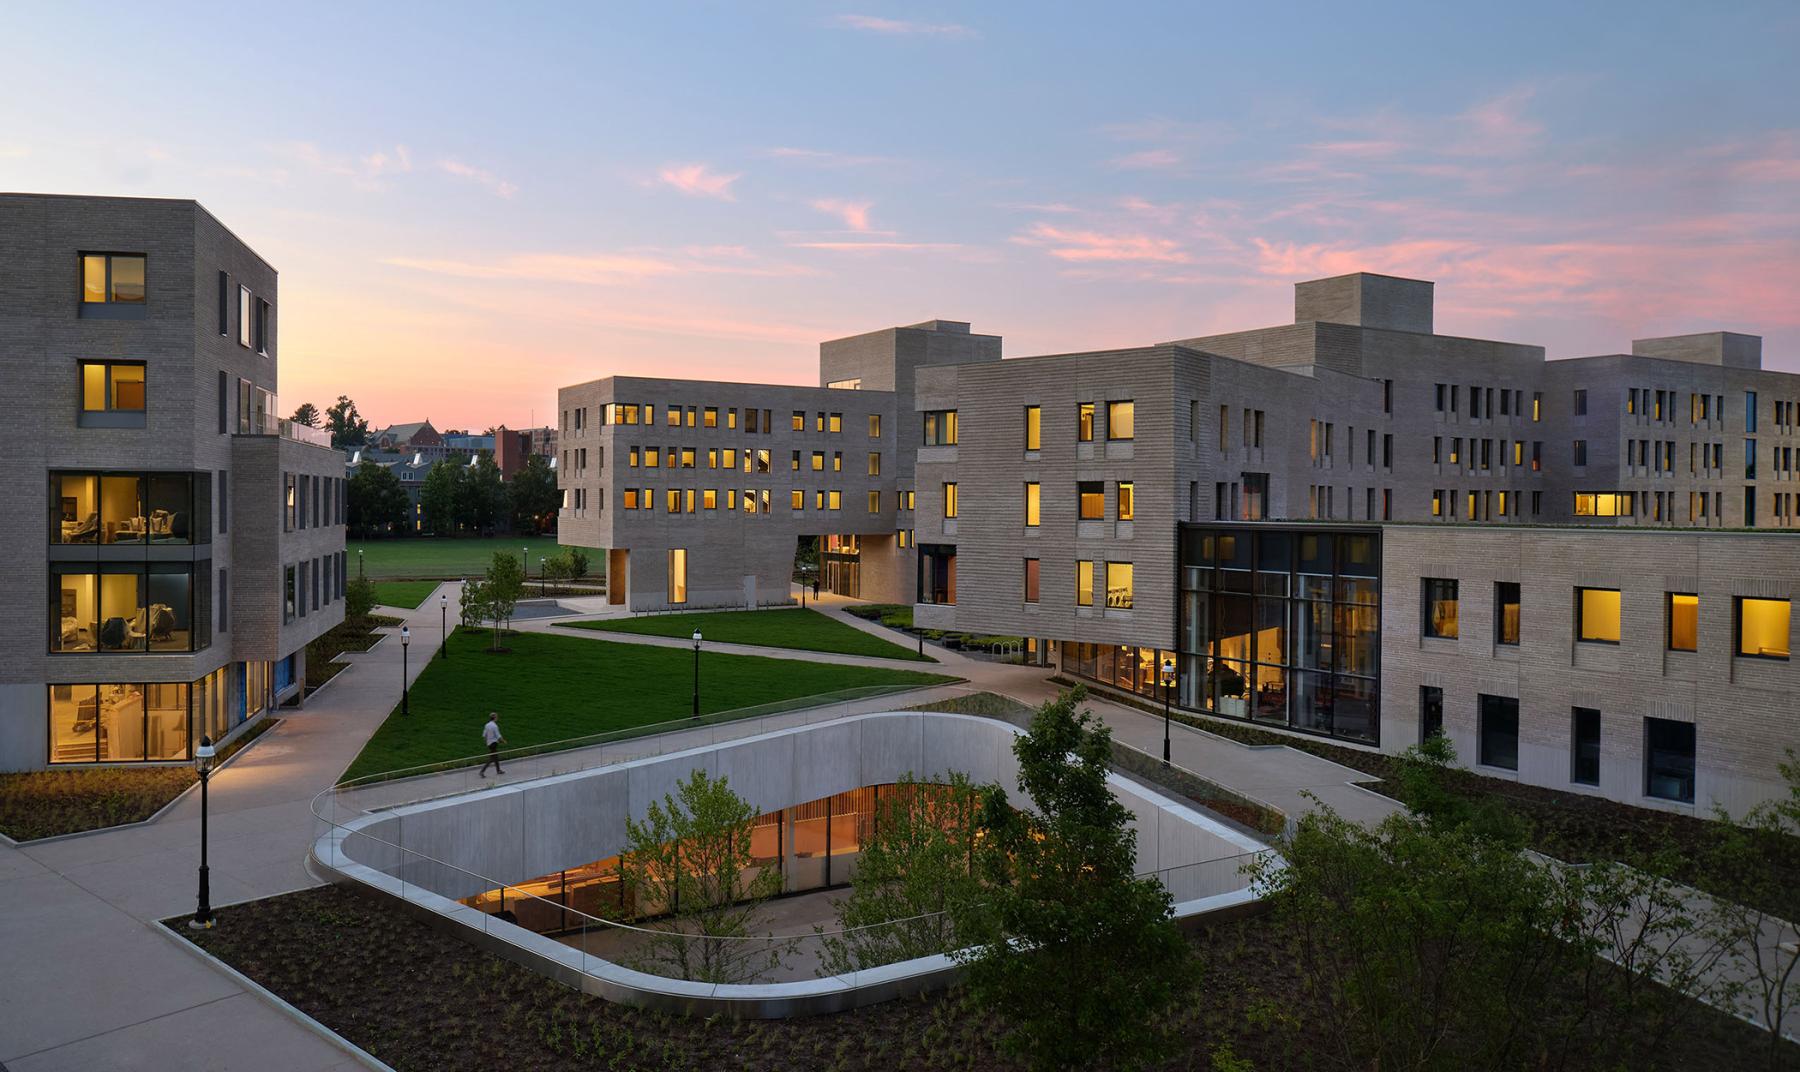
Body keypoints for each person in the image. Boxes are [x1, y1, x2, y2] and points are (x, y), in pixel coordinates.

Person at [478, 712, 506, 777]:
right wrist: (503, 741)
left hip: (489, 744)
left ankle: (498, 770)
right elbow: (498, 736)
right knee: (492, 758)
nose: (497, 718)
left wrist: (486, 743)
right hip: (494, 743)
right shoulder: (495, 726)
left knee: (495, 757)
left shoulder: (487, 725)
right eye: (497, 717)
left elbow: (484, 735)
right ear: (495, 718)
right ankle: (482, 771)